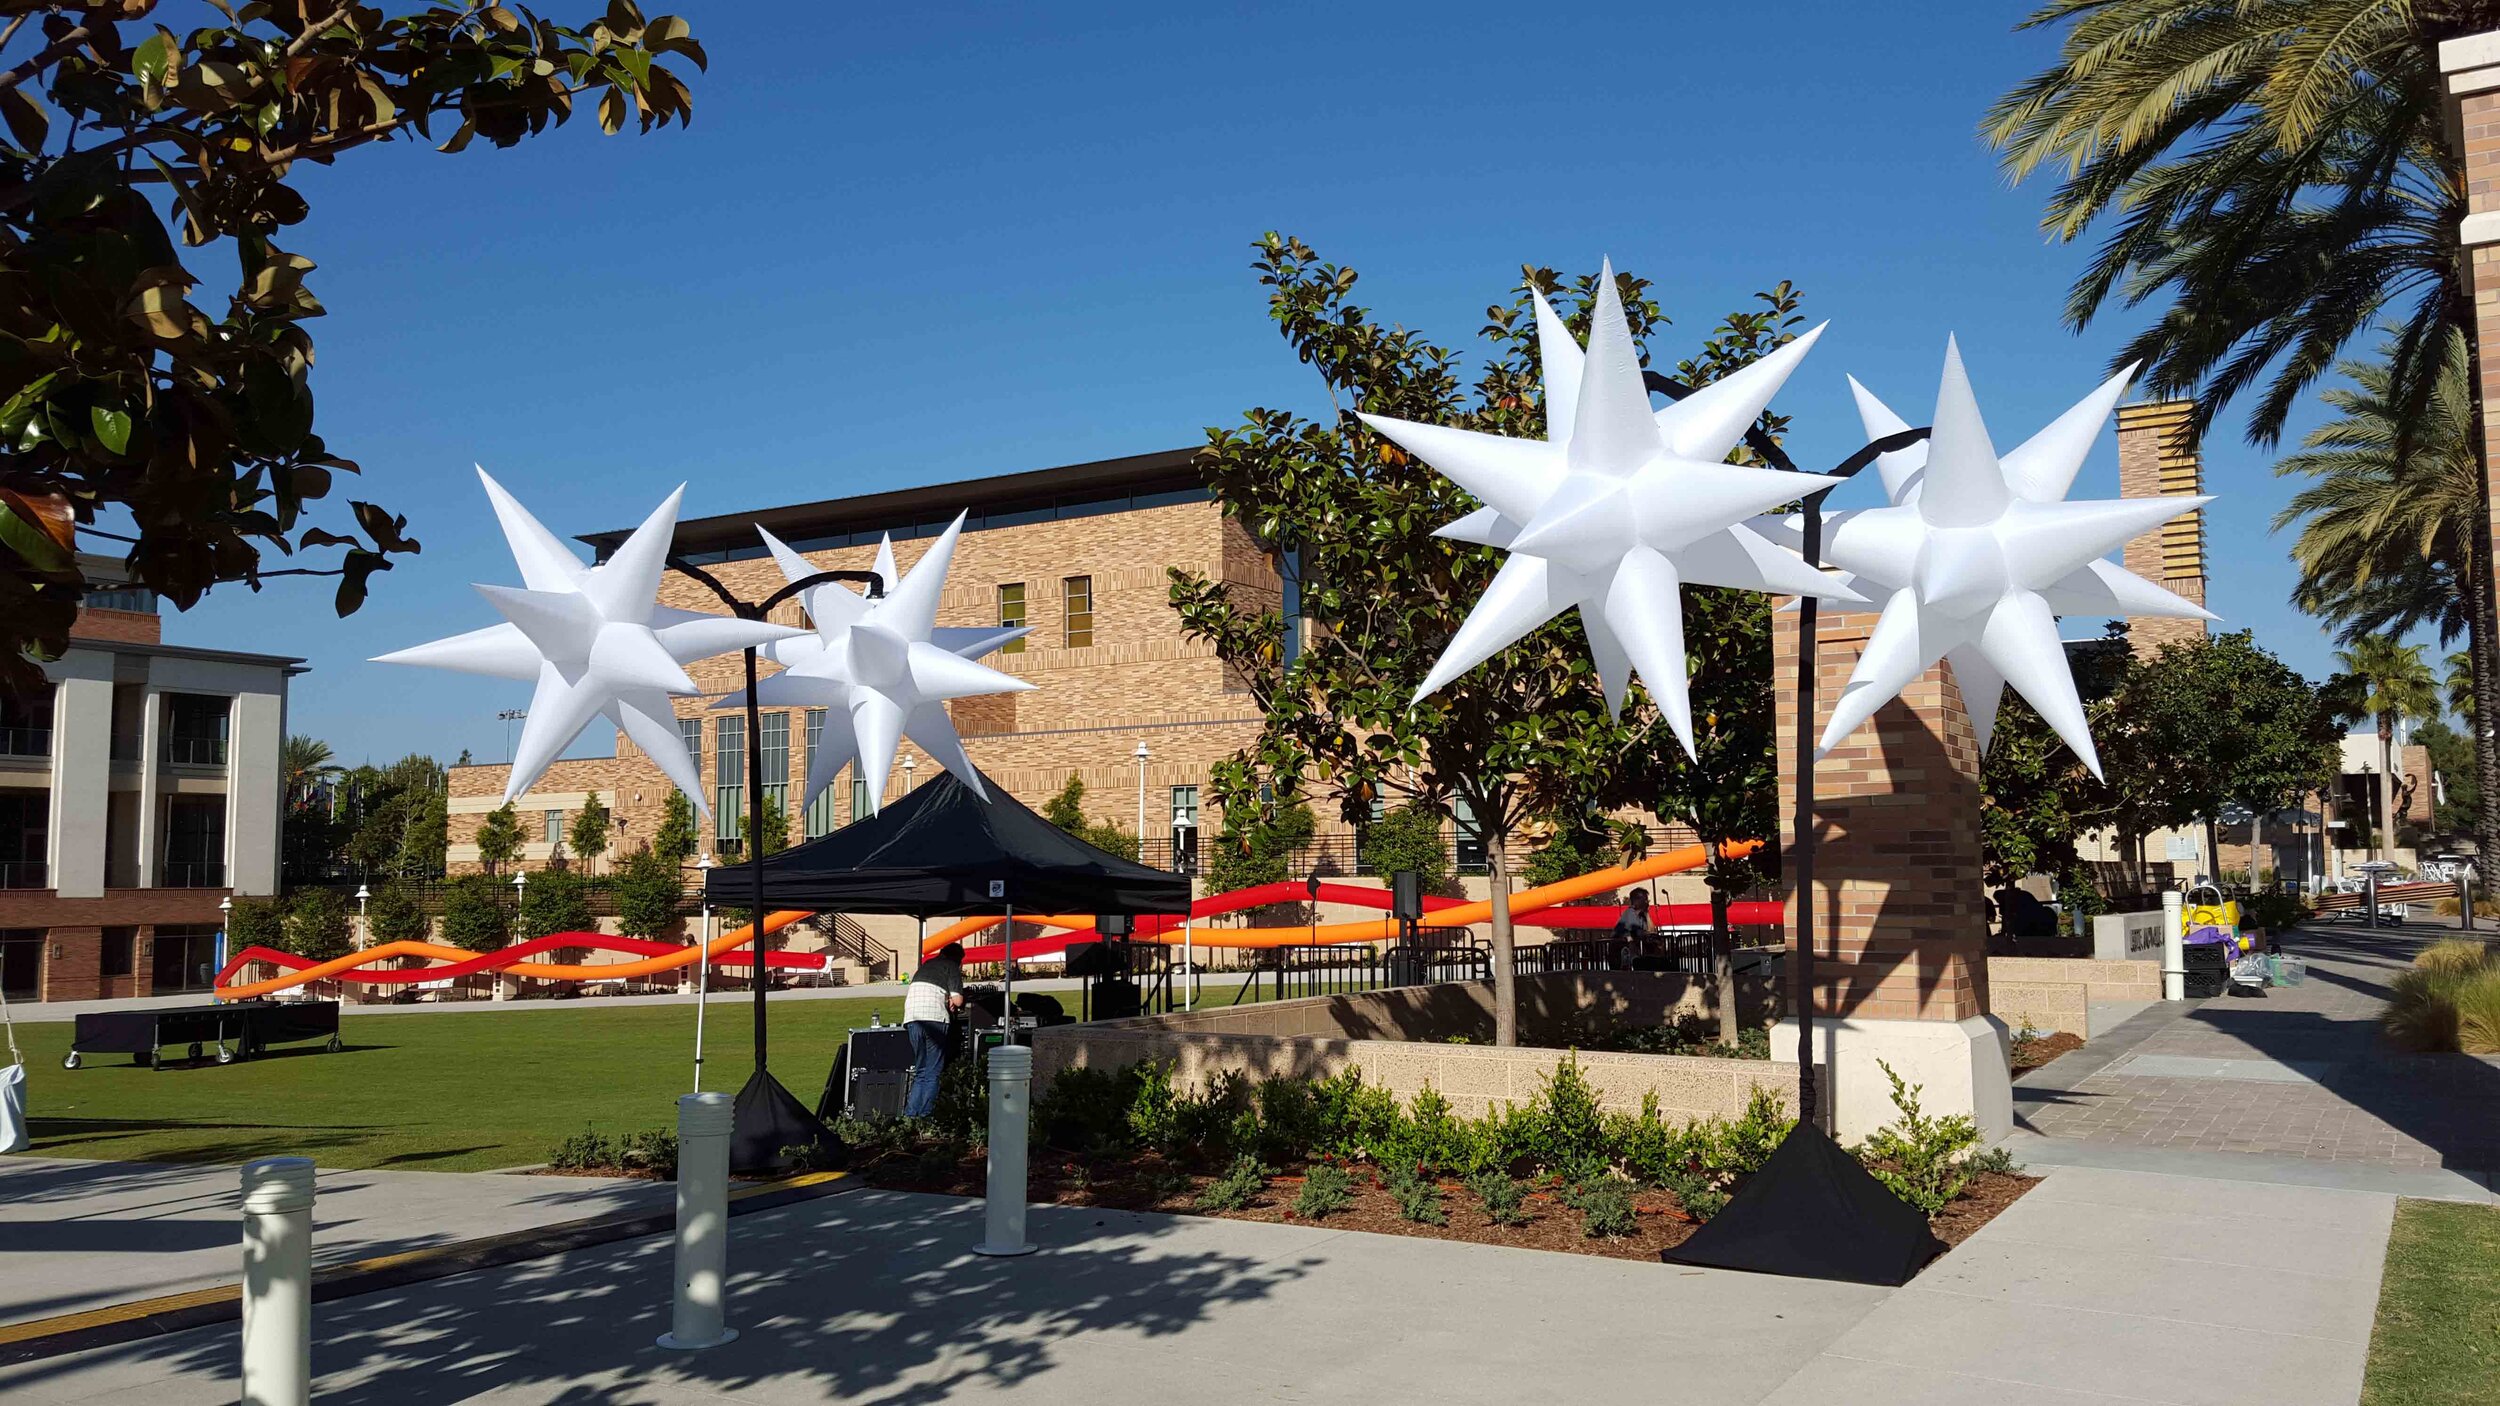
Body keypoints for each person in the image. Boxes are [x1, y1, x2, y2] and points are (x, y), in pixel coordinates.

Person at [902, 942, 966, 1118]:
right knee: (933, 1072)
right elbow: (959, 1000)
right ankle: (926, 1114)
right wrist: (952, 999)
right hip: (935, 1019)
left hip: (912, 1018)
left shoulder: (926, 966)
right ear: (957, 959)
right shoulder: (950, 966)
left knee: (920, 1071)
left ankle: (911, 1114)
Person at [1611, 887, 1655, 967]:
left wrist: (1647, 913)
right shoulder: (1630, 912)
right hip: (1621, 955)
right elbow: (1638, 933)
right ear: (1636, 901)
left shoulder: (1642, 916)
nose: (1647, 902)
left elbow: (1652, 931)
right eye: (1645, 899)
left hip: (1633, 953)